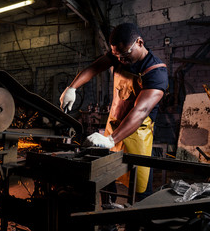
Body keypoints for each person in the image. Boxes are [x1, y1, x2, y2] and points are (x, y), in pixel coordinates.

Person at [59, 23, 168, 200]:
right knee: (104, 178)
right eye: (117, 56)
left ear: (139, 43)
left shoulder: (156, 72)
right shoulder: (118, 55)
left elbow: (141, 111)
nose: (121, 60)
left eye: (125, 55)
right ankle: (108, 222)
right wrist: (72, 88)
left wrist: (111, 140)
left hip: (136, 136)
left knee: (140, 191)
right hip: (113, 126)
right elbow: (95, 67)